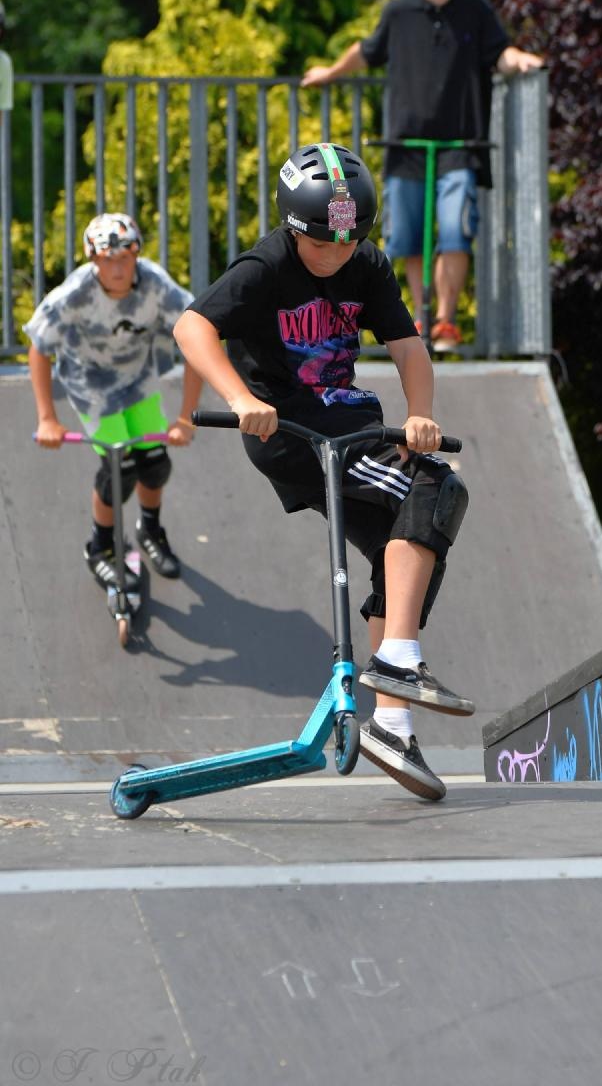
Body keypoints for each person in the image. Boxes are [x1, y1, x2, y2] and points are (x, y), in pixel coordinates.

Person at [173, 142, 473, 802]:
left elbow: (408, 347)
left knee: (409, 542)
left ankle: (391, 725)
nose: (336, 257)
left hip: (351, 428)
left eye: (348, 243)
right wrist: (241, 399)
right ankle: (398, 662)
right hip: (289, 434)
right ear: (293, 227)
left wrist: (420, 413)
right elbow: (191, 329)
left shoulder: (367, 263)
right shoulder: (266, 265)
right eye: (321, 246)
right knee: (434, 487)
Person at [301, 0, 544, 352]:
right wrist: (331, 73)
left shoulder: (475, 10)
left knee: (455, 230)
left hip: (459, 147)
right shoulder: (399, 12)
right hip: (406, 147)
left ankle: (445, 319)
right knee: (408, 236)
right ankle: (421, 316)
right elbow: (367, 50)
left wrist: (520, 59)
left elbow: (500, 53)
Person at [25, 213, 203, 584]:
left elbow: (196, 337)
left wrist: (187, 417)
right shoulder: (75, 293)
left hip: (137, 381)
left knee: (155, 463)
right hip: (91, 388)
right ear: (94, 260)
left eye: (125, 258)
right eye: (108, 260)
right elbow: (39, 347)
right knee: (120, 470)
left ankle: (150, 530)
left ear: (136, 254)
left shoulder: (155, 284)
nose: (118, 269)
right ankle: (100, 547)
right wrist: (47, 418)